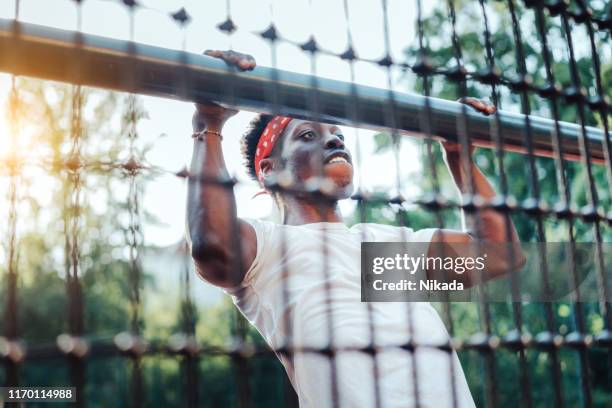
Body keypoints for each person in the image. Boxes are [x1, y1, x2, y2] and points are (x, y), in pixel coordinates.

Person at [187, 50, 524, 408]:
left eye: (337, 133)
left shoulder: (381, 247)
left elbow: (500, 255)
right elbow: (212, 245)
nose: (335, 140)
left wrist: (459, 156)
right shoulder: (269, 249)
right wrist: (208, 126)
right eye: (307, 135)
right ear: (270, 170)